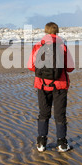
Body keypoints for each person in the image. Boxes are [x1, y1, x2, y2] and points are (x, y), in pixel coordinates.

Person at [27, 22, 74, 152]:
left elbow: (31, 66)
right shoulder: (62, 46)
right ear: (57, 32)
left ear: (45, 31)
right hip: (60, 85)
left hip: (42, 84)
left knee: (43, 113)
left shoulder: (38, 46)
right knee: (60, 115)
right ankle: (62, 144)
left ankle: (41, 143)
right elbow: (70, 68)